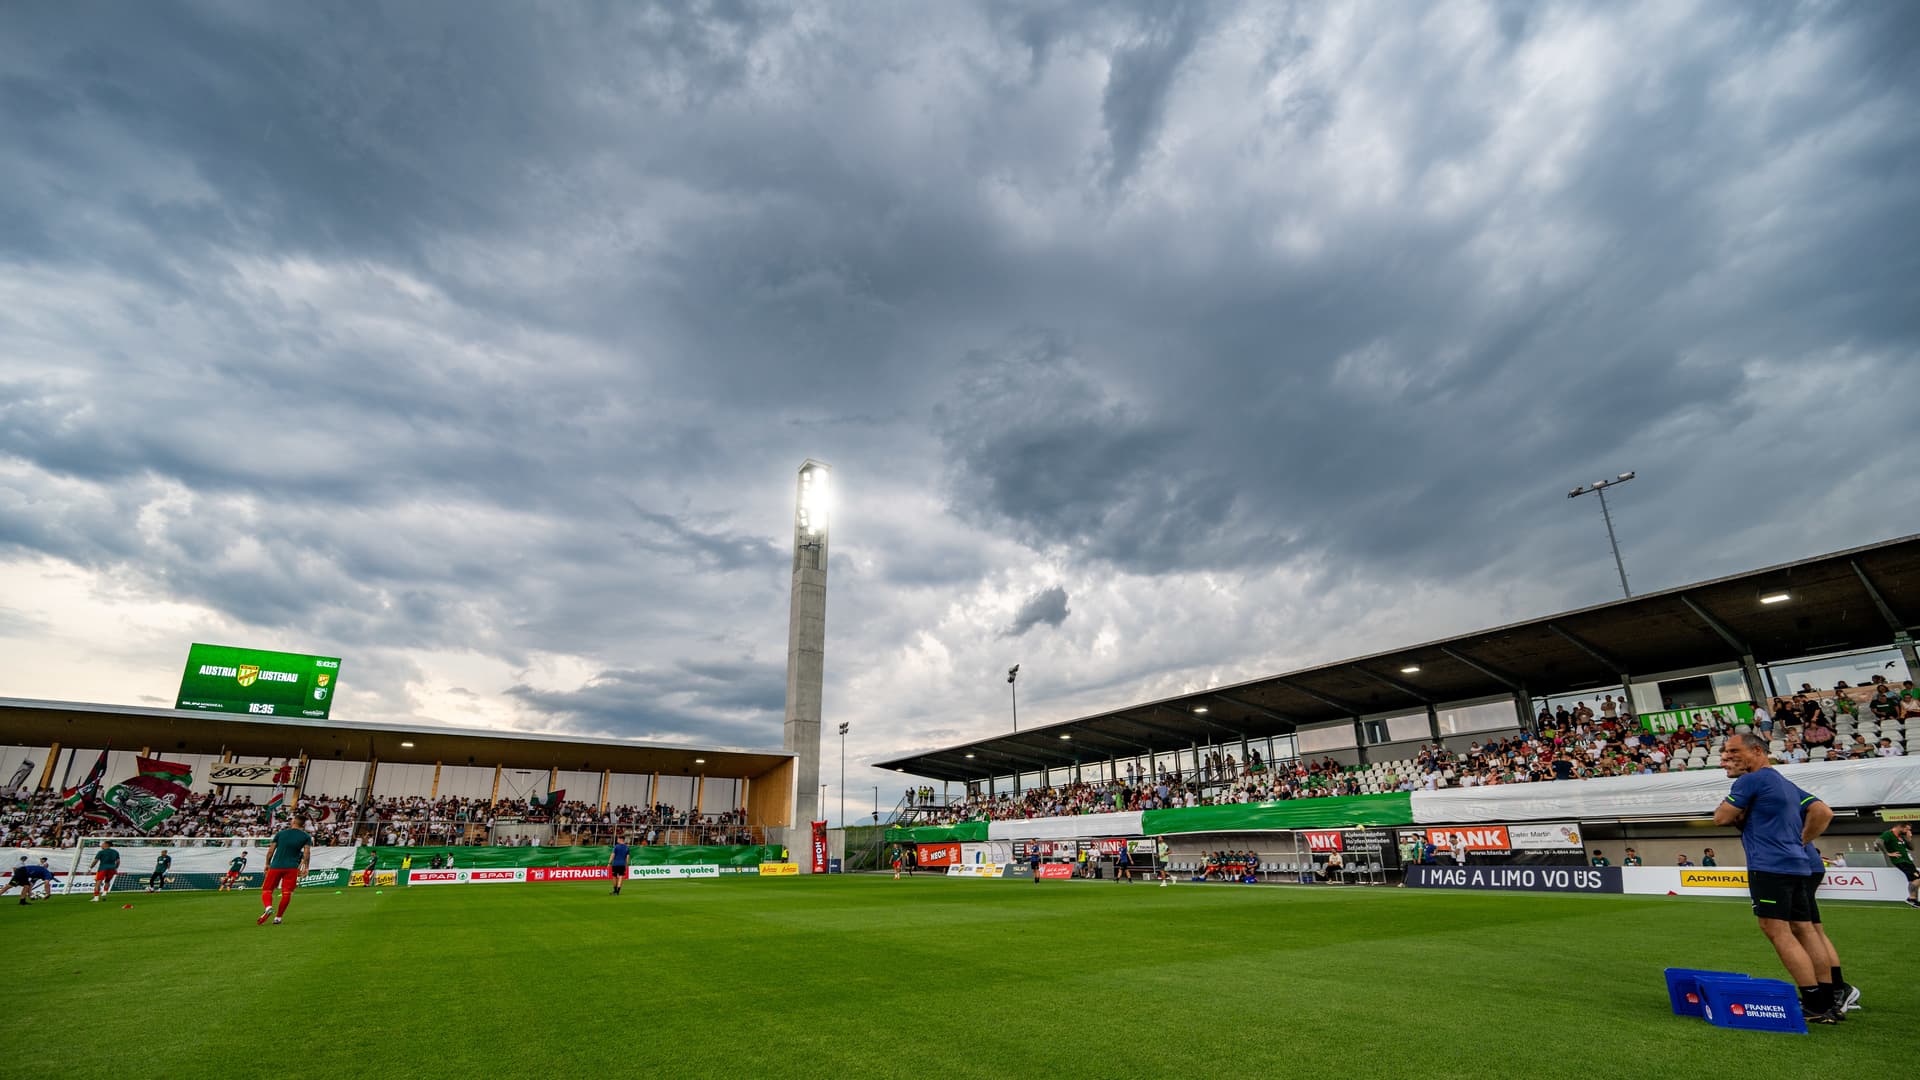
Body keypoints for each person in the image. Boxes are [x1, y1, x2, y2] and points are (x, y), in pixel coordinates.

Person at [1714, 732, 1843, 1023]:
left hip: (1769, 866)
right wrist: (1800, 841)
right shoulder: (1783, 782)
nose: (1729, 756)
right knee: (1807, 930)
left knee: (1777, 931)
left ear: (1756, 750)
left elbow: (1721, 817)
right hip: (1798, 866)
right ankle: (1828, 1000)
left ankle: (1813, 1002)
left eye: (1734, 751)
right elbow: (1822, 810)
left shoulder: (1750, 780)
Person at [258, 812, 313, 926]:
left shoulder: (281, 834)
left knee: (267, 890)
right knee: (286, 893)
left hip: (276, 866)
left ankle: (268, 907)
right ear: (303, 825)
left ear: (293, 822)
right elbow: (307, 853)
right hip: (292, 868)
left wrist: (267, 863)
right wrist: (306, 867)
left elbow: (270, 851)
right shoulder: (306, 837)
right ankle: (278, 918)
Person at [1880, 823, 1918, 907]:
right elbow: (1878, 842)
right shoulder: (1888, 834)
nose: (1908, 831)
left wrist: (1909, 838)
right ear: (1900, 827)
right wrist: (1888, 853)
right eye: (1907, 829)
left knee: (1912, 880)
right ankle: (1911, 899)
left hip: (1908, 861)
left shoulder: (1901, 837)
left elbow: (1912, 848)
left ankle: (1914, 901)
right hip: (1900, 861)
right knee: (1917, 878)